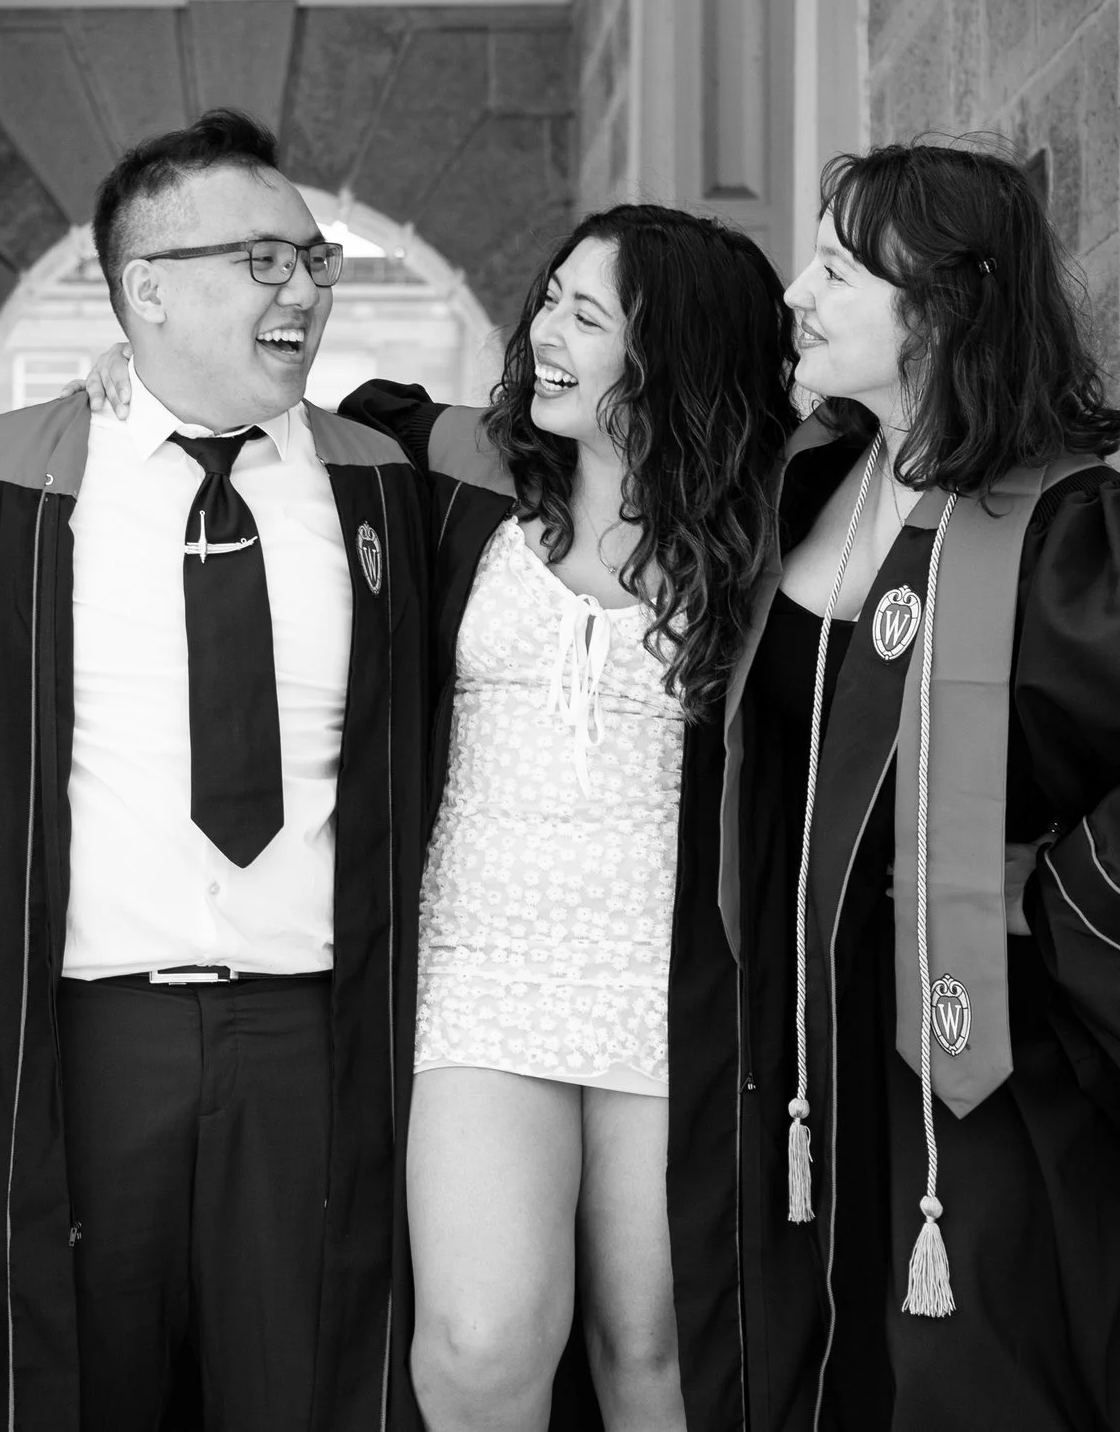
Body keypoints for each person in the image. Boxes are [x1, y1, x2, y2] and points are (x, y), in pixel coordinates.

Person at [667, 143, 1120, 1429]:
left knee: (983, 1369)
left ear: (938, 306)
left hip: (987, 1058)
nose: (796, 292)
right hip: (805, 1049)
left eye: (836, 269)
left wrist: (1030, 894)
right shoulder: (802, 492)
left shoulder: (1080, 533)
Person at [0, 108, 432, 1431]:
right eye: (261, 260)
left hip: (314, 1031)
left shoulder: (389, 489)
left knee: (307, 1391)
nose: (301, 288)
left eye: (313, 259)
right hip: (88, 1039)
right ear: (146, 288)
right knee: (80, 1385)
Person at [333, 206, 796, 1432]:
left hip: (670, 983)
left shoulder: (767, 537)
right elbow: (280, 429)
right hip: (481, 973)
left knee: (655, 1347)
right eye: (550, 299)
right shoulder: (455, 481)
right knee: (478, 1342)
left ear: (672, 354)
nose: (543, 331)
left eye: (585, 317)